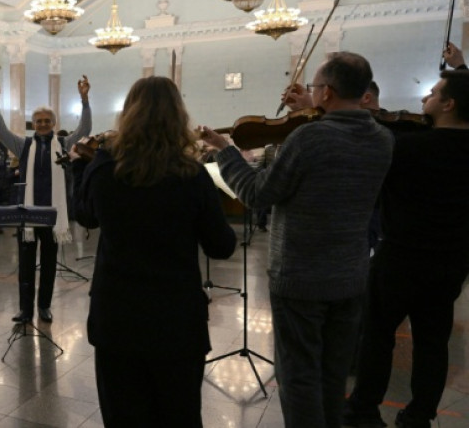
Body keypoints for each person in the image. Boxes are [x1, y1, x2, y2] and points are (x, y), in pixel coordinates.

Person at [200, 52, 394, 428]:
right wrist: (309, 108)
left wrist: (225, 152)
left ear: (328, 92)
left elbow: (257, 193)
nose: (312, 92)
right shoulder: (382, 138)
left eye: (315, 87)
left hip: (301, 277)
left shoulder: (309, 137)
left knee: (298, 376)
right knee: (333, 373)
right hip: (350, 276)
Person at [71, 76, 236, 427]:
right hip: (175, 322)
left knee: (123, 418)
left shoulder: (104, 169)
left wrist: (78, 165)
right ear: (178, 116)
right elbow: (221, 247)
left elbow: (84, 214)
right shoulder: (192, 175)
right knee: (179, 417)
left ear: (128, 114)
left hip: (117, 319)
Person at [344, 61, 469, 428]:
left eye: (433, 93)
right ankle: (419, 416)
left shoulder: (408, 147)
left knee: (377, 336)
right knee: (433, 341)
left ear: (449, 105)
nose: (426, 97)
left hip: (399, 256)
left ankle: (363, 410)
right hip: (452, 261)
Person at [0, 75, 92, 323]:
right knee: (25, 266)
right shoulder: (23, 145)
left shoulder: (64, 143)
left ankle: (44, 306)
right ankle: (25, 310)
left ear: (54, 124)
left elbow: (85, 130)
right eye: (38, 121)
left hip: (53, 216)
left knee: (48, 265)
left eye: (47, 121)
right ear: (33, 124)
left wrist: (85, 99)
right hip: (28, 216)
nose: (43, 124)